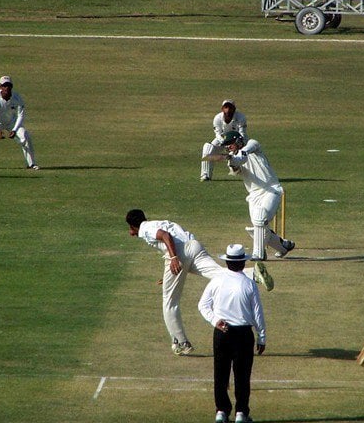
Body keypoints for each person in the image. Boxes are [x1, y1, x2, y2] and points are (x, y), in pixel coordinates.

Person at [125, 209, 273, 356]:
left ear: (132, 226)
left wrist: (173, 258)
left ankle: (181, 342)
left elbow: (165, 235)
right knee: (218, 274)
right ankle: (252, 274)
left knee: (169, 302)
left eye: (129, 228)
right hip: (193, 245)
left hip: (179, 253)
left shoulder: (145, 229)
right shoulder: (157, 223)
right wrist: (171, 275)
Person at [198, 244, 265, 423]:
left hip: (222, 332)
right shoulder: (249, 284)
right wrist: (262, 336)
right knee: (242, 375)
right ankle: (241, 413)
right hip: (244, 334)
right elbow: (258, 313)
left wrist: (215, 321)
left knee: (220, 373)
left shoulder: (217, 281)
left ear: (227, 262)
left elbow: (202, 305)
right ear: (243, 263)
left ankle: (221, 411)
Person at [221, 131, 294, 261]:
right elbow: (237, 166)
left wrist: (236, 157)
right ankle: (283, 246)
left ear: (238, 141)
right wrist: (232, 161)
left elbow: (245, 153)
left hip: (271, 189)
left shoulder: (252, 144)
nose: (228, 147)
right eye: (226, 145)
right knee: (256, 228)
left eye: (230, 143)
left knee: (260, 218)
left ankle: (258, 254)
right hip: (254, 195)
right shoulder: (233, 158)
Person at [200, 99, 247, 182]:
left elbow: (242, 134)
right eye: (226, 107)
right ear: (222, 109)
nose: (228, 110)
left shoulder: (241, 117)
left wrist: (236, 145)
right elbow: (218, 134)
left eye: (230, 107)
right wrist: (225, 143)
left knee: (243, 153)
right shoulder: (217, 118)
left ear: (234, 109)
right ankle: (205, 175)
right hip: (223, 139)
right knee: (207, 147)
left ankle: (241, 169)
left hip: (238, 139)